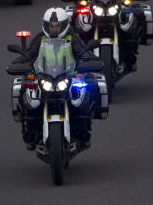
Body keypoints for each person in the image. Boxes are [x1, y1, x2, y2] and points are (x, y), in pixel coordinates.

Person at [11, 8, 99, 149]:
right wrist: (19, 61)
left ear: (64, 25)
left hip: (67, 78)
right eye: (51, 25)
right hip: (44, 77)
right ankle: (29, 130)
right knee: (26, 92)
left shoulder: (72, 38)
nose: (54, 28)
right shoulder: (41, 38)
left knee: (85, 92)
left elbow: (83, 52)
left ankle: (84, 131)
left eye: (57, 25)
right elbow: (29, 53)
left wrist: (90, 60)